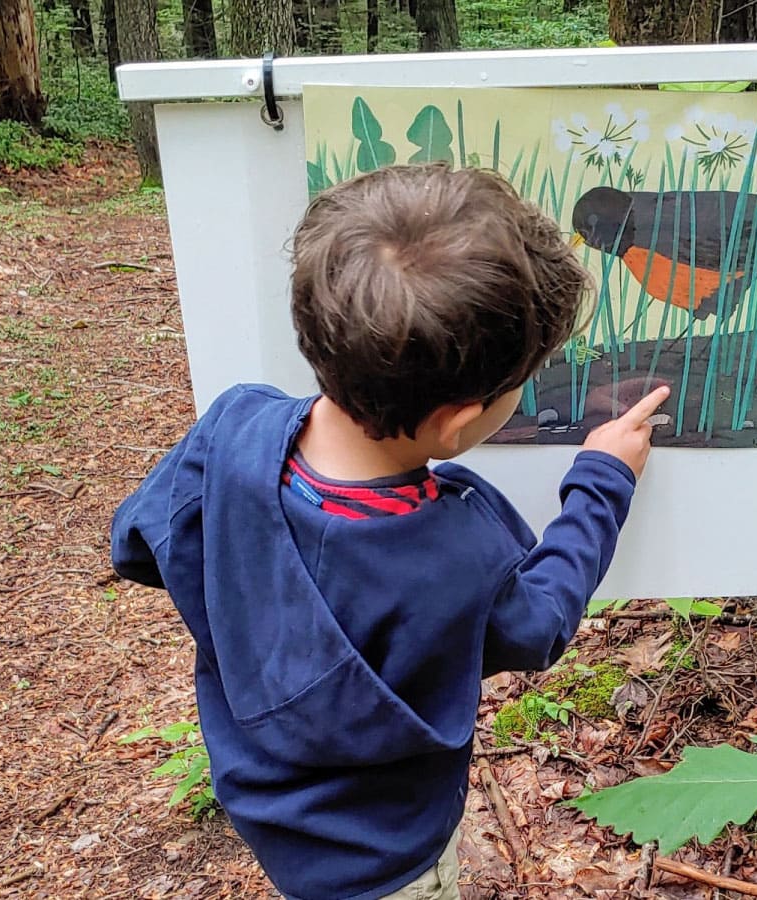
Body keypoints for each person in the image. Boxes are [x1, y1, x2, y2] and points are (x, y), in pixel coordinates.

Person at [111, 163, 669, 900]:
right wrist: (603, 476)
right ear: (457, 421)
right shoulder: (451, 550)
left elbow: (139, 542)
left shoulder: (233, 428)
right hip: (392, 859)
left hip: (275, 819)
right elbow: (536, 625)